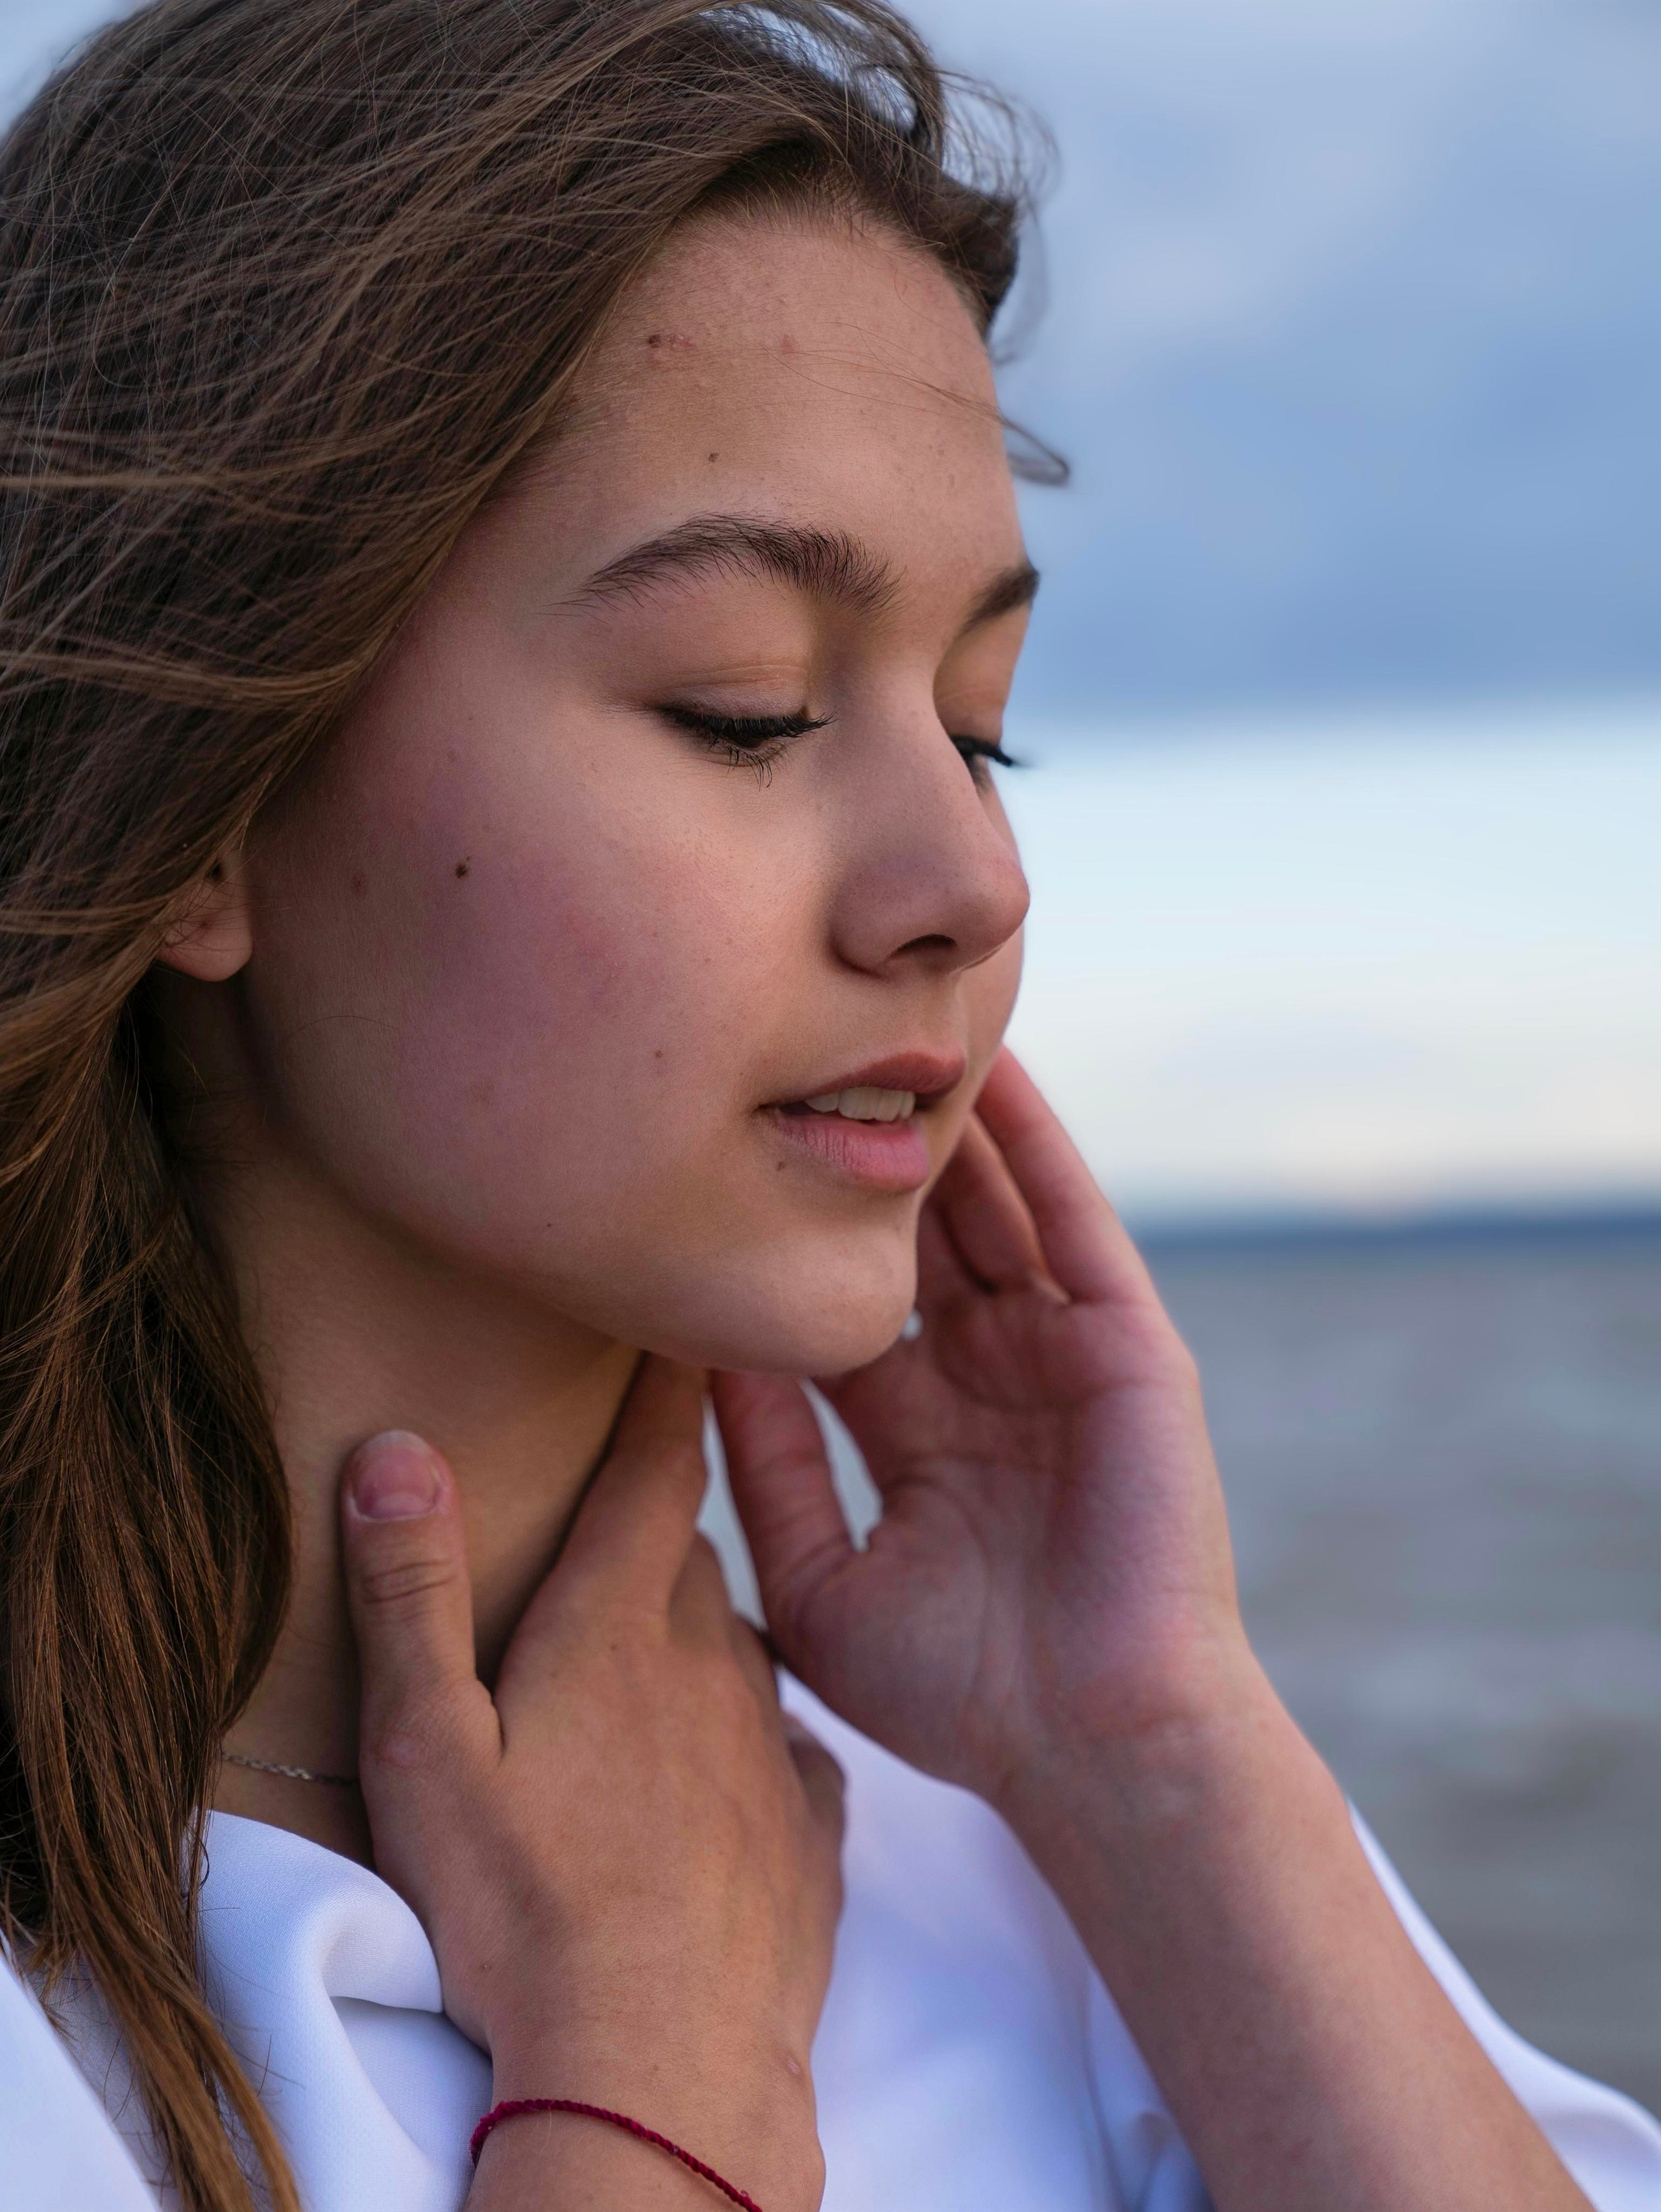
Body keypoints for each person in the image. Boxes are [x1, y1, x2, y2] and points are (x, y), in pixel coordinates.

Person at [0, 3, 1655, 2208]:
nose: (973, 883)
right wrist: (653, 2076)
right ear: (200, 801)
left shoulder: (1071, 1840)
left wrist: (1154, 1752)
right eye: (747, 709)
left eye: (986, 728)